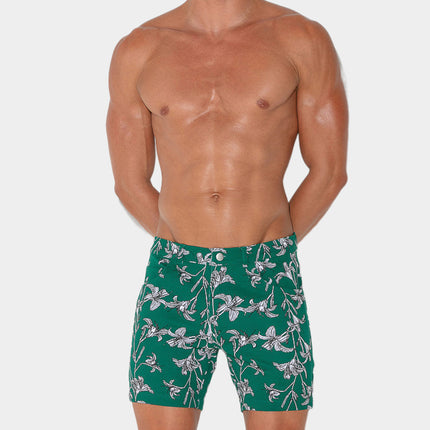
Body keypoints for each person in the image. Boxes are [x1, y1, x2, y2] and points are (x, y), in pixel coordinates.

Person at [106, 0, 348, 428]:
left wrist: (269, 248)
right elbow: (129, 183)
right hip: (174, 275)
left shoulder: (300, 39)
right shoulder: (139, 49)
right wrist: (180, 237)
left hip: (267, 272)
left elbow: (329, 172)